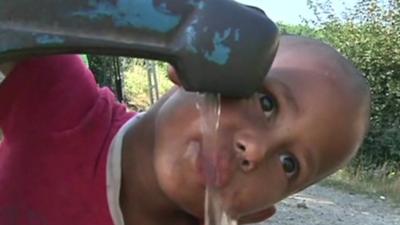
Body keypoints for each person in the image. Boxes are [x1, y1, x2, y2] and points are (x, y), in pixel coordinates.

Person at [0, 35, 370, 225]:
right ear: (192, 66)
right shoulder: (63, 104)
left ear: (255, 213)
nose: (255, 151)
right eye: (267, 102)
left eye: (290, 163)